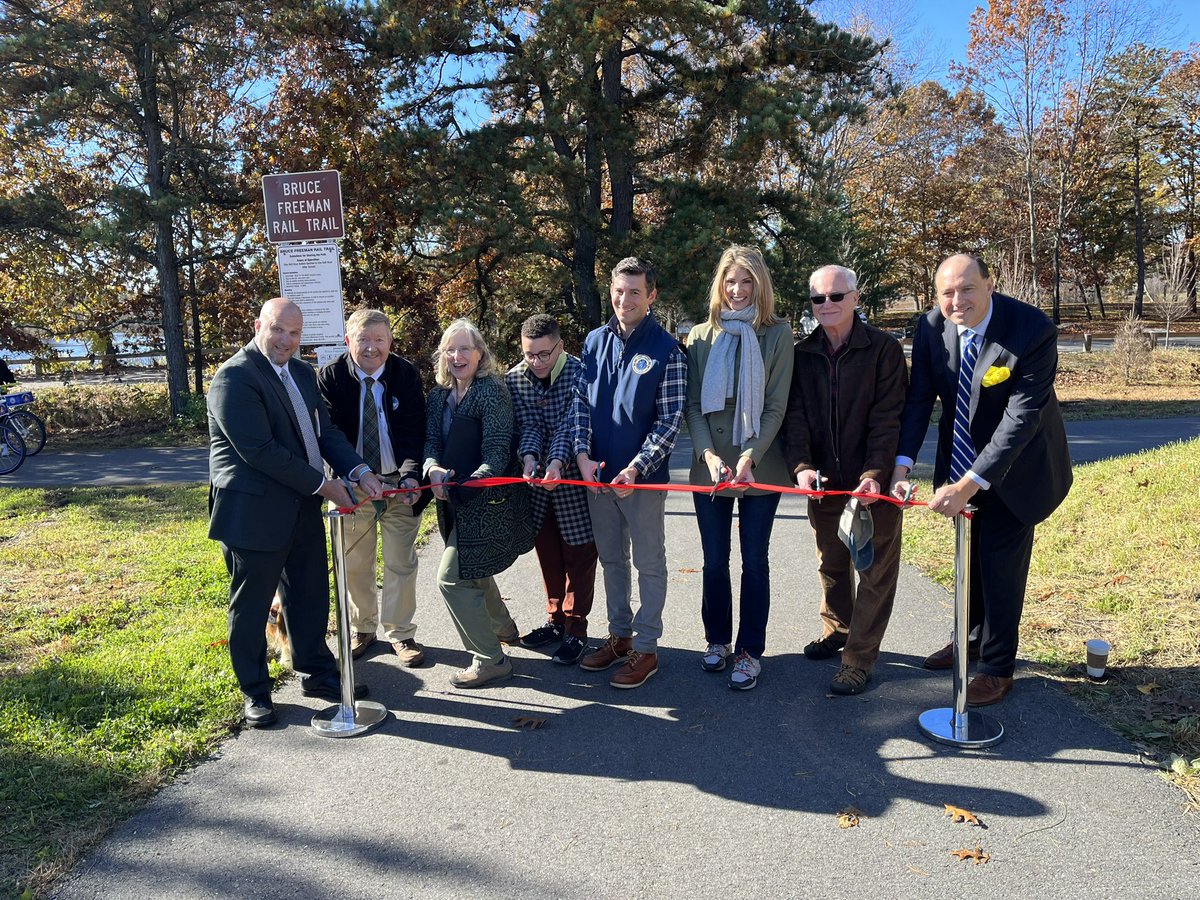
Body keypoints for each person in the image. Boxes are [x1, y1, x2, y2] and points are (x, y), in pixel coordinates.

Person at [890, 253, 1072, 707]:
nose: (957, 301)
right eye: (947, 292)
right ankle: (969, 640)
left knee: (999, 564)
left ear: (990, 285)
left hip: (1019, 469)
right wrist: (902, 465)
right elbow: (919, 401)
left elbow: (1022, 419)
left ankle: (996, 668)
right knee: (967, 558)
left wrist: (969, 484)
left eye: (967, 288)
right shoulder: (931, 327)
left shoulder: (1031, 330)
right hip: (961, 460)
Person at [208, 298, 384, 728]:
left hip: (302, 506)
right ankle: (256, 692)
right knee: (250, 608)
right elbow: (261, 452)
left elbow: (325, 434)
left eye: (295, 333)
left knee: (309, 595)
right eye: (278, 330)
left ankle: (317, 674)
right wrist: (326, 486)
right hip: (253, 514)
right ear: (258, 326)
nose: (287, 340)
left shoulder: (303, 374)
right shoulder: (235, 377)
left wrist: (359, 470)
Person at [544, 257, 686, 689]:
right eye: (619, 291)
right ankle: (620, 635)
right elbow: (579, 405)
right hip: (596, 477)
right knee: (611, 560)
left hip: (641, 480)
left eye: (635, 292)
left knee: (649, 563)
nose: (624, 300)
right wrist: (582, 455)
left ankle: (647, 647)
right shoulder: (593, 341)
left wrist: (636, 468)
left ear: (652, 295)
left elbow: (669, 421)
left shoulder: (668, 351)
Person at [783, 265, 908, 696]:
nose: (828, 305)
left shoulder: (884, 350)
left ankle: (858, 659)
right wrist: (800, 465)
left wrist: (875, 475)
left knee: (873, 570)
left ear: (857, 298)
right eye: (818, 299)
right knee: (832, 562)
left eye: (837, 296)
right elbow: (794, 417)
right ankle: (837, 629)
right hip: (824, 483)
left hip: (874, 485)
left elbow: (888, 419)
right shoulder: (803, 354)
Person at [685, 246, 794, 691]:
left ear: (759, 285)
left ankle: (750, 650)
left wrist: (749, 455)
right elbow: (693, 405)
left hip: (761, 464)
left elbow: (775, 406)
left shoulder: (778, 334)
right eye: (730, 281)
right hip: (709, 465)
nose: (737, 290)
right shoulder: (699, 336)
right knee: (714, 561)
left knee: (755, 561)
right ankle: (717, 641)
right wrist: (709, 455)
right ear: (720, 285)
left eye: (746, 281)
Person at [424, 319, 536, 688]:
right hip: (453, 502)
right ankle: (503, 627)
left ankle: (490, 659)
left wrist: (470, 483)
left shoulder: (492, 392)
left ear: (480, 353)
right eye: (450, 349)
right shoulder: (439, 395)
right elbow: (431, 445)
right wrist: (432, 469)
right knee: (472, 567)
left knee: (451, 580)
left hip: (487, 504)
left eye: (465, 349)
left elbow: (498, 452)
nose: (457, 356)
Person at [318, 309, 429, 667]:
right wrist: (358, 473)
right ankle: (361, 629)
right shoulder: (330, 377)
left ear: (390, 343)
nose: (371, 348)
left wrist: (412, 476)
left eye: (379, 340)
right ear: (348, 340)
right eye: (363, 340)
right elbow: (329, 436)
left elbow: (415, 431)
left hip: (399, 483)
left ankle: (401, 633)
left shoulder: (406, 374)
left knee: (401, 561)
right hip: (351, 483)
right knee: (354, 562)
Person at [506, 314, 599, 666]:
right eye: (530, 354)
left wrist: (556, 464)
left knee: (579, 556)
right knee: (548, 555)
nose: (537, 362)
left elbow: (570, 426)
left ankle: (576, 629)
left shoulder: (579, 372)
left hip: (572, 479)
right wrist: (529, 458)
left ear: (560, 347)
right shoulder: (516, 378)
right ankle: (556, 619)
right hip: (538, 487)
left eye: (545, 354)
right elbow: (528, 424)